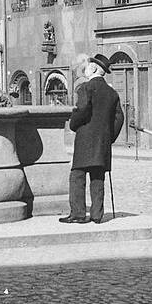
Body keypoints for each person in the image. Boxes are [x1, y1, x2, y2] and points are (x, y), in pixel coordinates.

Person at [60, 53, 124, 225]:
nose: (85, 69)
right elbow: (120, 118)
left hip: (85, 140)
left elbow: (82, 110)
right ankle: (97, 215)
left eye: (88, 66)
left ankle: (78, 214)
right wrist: (109, 137)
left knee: (77, 176)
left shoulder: (86, 88)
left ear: (94, 68)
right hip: (102, 143)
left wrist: (73, 124)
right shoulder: (112, 93)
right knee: (97, 177)